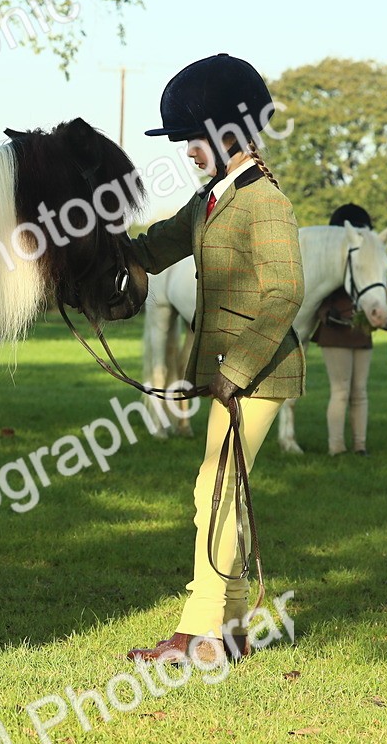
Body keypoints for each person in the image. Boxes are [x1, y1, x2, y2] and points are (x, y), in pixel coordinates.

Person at [125, 54, 305, 664]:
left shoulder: (265, 202)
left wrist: (235, 371)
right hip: (232, 373)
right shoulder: (212, 198)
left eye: (193, 138)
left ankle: (200, 632)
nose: (187, 151)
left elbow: (284, 294)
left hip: (259, 372)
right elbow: (153, 248)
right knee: (220, 489)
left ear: (230, 133)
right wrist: (93, 254)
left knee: (214, 490)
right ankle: (231, 631)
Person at [311, 203, 375, 456]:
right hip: (335, 332)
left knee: (359, 391)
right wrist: (328, 313)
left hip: (360, 331)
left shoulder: (366, 264)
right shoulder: (332, 264)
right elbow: (318, 297)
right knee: (341, 390)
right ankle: (336, 446)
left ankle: (360, 445)